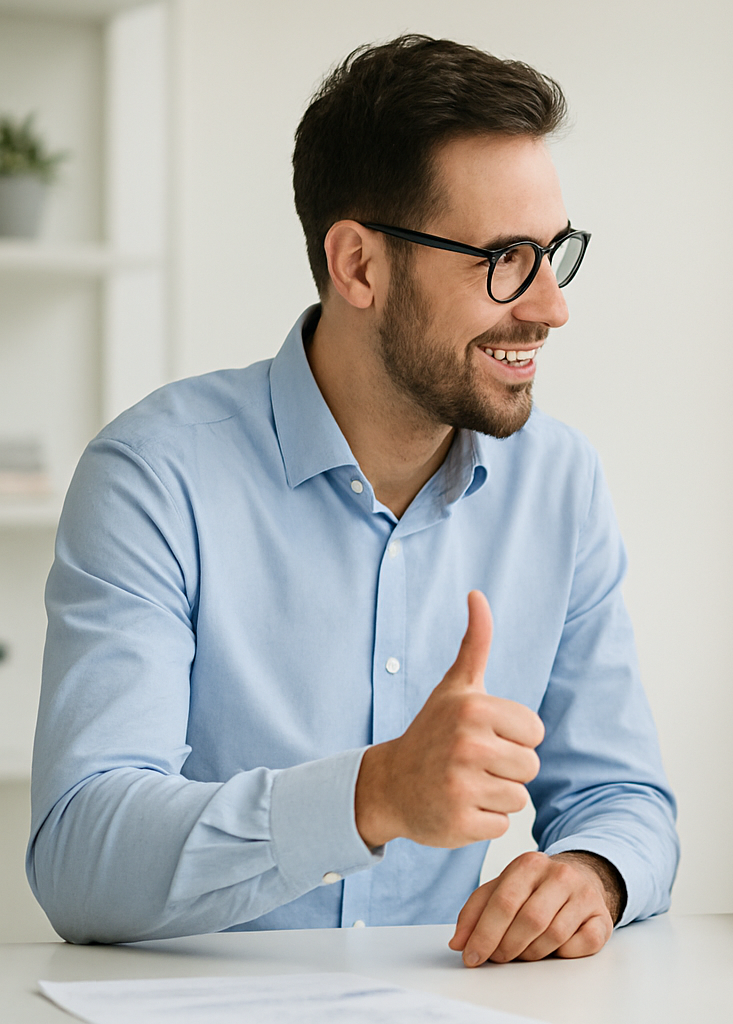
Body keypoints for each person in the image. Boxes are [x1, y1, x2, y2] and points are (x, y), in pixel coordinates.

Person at [29, 36, 677, 967]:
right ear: (359, 266)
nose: (549, 306)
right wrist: (372, 796)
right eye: (504, 259)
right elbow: (79, 854)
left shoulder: (559, 484)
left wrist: (591, 873)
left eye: (552, 254)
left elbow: (625, 800)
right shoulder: (155, 476)